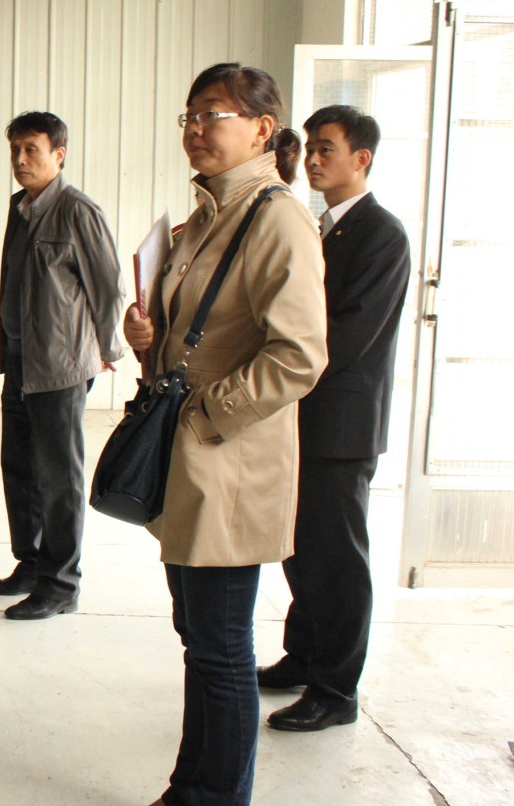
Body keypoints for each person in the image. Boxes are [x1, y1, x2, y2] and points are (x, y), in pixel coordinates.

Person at [123, 63, 327, 806]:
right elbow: (196, 327)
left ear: (262, 129)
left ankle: (217, 795)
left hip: (228, 462)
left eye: (213, 114)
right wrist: (147, 334)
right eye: (190, 116)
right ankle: (192, 785)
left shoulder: (277, 218)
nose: (196, 130)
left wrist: (209, 413)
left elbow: (299, 354)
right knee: (200, 640)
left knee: (221, 648)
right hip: (194, 460)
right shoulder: (211, 214)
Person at [259, 105, 411, 732]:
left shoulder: (381, 234)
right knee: (300, 549)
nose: (314, 160)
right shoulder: (321, 226)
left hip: (341, 425)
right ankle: (303, 656)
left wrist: (280, 364)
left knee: (338, 559)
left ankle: (336, 690)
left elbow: (348, 335)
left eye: (327, 149)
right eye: (311, 148)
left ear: (361, 159)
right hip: (302, 414)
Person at [0, 111, 124, 620]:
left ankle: (61, 584)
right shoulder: (19, 208)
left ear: (58, 155)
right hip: (20, 361)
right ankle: (31, 564)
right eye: (15, 150)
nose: (20, 159)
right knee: (19, 467)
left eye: (32, 150)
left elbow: (108, 286)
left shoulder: (77, 211)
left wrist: (108, 348)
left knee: (58, 477)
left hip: (60, 365)